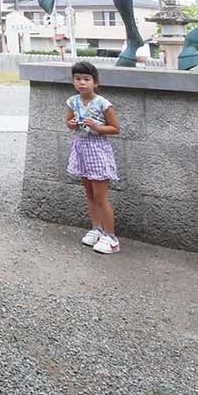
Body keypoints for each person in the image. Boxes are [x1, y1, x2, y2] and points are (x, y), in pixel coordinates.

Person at [65, 58, 122, 254]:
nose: (82, 82)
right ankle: (96, 229)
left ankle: (111, 237)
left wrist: (97, 127)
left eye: (86, 79)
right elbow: (69, 122)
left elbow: (115, 128)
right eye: (77, 78)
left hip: (97, 149)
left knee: (100, 196)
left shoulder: (103, 104)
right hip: (81, 148)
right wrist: (72, 124)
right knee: (89, 193)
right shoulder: (73, 101)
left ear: (95, 82)